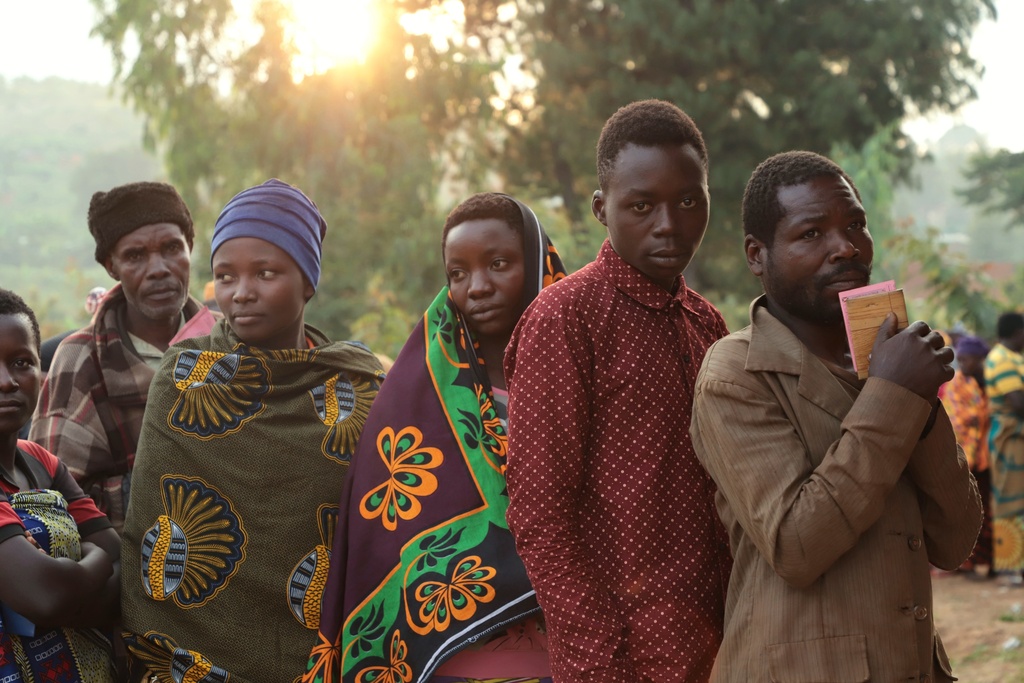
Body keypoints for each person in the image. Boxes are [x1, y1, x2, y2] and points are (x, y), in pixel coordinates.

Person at [690, 150, 982, 682]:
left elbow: (955, 541)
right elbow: (797, 546)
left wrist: (918, 404)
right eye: (811, 233)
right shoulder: (734, 374)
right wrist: (895, 394)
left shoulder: (884, 359)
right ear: (757, 255)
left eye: (855, 225)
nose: (846, 247)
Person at [503, 100, 732, 683]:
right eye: (641, 205)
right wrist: (598, 655)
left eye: (688, 201)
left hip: (726, 646)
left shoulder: (707, 323)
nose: (669, 224)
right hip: (623, 658)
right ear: (601, 208)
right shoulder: (564, 319)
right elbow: (539, 512)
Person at [120, 179, 384, 682]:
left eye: (265, 273)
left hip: (326, 657)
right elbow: (148, 531)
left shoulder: (357, 385)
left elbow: (381, 529)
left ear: (308, 281)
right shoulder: (184, 377)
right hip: (186, 662)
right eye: (225, 276)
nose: (241, 293)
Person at [305, 192, 566, 683]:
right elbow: (382, 535)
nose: (478, 287)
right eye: (458, 273)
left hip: (570, 652)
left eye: (499, 264)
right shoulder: (413, 395)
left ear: (538, 265)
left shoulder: (581, 379)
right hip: (446, 658)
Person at [30, 182, 217, 532]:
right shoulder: (80, 360)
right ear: (111, 266)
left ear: (190, 247)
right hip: (127, 561)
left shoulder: (231, 341)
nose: (158, 269)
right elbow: (53, 504)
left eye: (172, 248)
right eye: (135, 256)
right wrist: (172, 486)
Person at [0, 287, 121, 681]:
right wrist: (94, 557)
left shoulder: (41, 463)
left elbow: (125, 575)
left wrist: (64, 587)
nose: (7, 382)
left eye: (21, 362)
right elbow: (46, 597)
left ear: (41, 371)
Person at [941, 335, 995, 579]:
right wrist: (976, 417)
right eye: (960, 360)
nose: (963, 364)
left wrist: (980, 417)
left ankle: (992, 562)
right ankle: (968, 564)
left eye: (968, 359)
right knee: (968, 511)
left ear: (980, 359)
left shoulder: (989, 383)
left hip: (988, 457)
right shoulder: (956, 385)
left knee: (989, 510)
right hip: (965, 458)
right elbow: (954, 417)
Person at [985, 312, 1024, 573]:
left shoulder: (1014, 358)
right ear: (1018, 332)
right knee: (1010, 498)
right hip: (1009, 437)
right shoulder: (1000, 359)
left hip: (1017, 436)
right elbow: (1018, 402)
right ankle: (1010, 567)